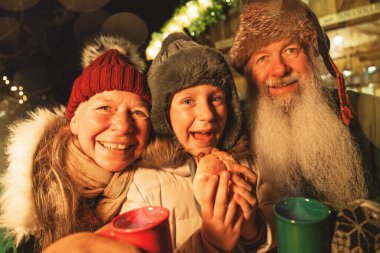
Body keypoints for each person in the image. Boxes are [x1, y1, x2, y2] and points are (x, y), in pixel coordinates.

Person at [230, 0, 380, 251]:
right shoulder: (237, 134)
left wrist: (370, 219)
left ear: (313, 55)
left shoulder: (368, 112)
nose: (279, 69)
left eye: (291, 50)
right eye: (262, 57)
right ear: (248, 73)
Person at [120, 32, 271, 253]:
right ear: (164, 115)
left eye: (216, 98)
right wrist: (210, 245)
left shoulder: (252, 164)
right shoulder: (145, 185)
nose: (207, 115)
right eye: (187, 101)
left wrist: (255, 230)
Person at [0, 34, 151, 252]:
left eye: (138, 112)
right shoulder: (14, 199)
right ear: (75, 122)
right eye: (104, 108)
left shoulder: (159, 182)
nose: (123, 126)